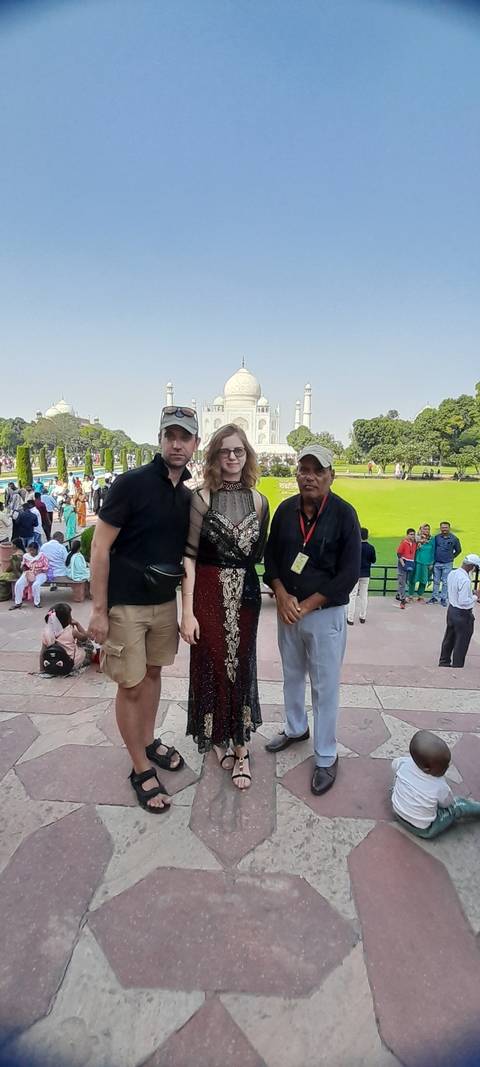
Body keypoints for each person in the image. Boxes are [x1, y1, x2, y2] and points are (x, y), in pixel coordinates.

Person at [88, 405, 199, 813]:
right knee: (130, 685)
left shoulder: (185, 496)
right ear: (160, 438)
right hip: (127, 604)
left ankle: (148, 740)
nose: (176, 443)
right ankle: (139, 766)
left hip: (162, 604)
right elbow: (100, 547)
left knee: (152, 674)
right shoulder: (131, 484)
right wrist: (99, 609)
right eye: (170, 435)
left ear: (194, 444)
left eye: (184, 437)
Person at [264, 444, 361, 796]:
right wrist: (281, 593)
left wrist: (305, 605)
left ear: (331, 476)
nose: (310, 477)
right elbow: (271, 558)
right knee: (291, 676)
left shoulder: (344, 514)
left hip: (323, 614)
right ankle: (295, 728)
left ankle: (325, 755)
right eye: (304, 470)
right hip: (288, 610)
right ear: (297, 474)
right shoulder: (286, 510)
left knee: (325, 686)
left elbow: (348, 574)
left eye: (318, 471)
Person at [181, 424, 269, 790]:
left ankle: (242, 747)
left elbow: (258, 555)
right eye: (225, 451)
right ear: (215, 455)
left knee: (241, 665)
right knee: (214, 663)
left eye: (239, 451)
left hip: (246, 595)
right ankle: (217, 736)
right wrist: (187, 611)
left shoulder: (260, 501)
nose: (232, 457)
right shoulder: (201, 498)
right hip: (206, 593)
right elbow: (187, 557)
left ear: (247, 455)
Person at [392, 730, 480, 839]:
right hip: (424, 829)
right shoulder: (439, 786)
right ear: (427, 768)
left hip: (397, 812)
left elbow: (394, 764)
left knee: (399, 777)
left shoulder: (404, 763)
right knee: (456, 806)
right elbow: (447, 803)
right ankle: (477, 808)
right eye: (443, 766)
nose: (447, 767)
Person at [438, 554, 480, 668]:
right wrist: (476, 597)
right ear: (472, 566)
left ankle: (444, 661)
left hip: (452, 610)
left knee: (449, 637)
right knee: (462, 641)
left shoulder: (453, 573)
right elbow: (464, 601)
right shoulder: (465, 580)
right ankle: (457, 665)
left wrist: (470, 595)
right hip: (463, 614)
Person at [41, 603, 92, 672]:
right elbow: (85, 638)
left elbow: (42, 652)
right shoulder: (71, 631)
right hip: (70, 665)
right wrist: (77, 624)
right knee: (87, 644)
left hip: (53, 664)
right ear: (68, 619)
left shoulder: (46, 633)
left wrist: (42, 669)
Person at [427, 522, 462, 606]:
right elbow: (433, 549)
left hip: (447, 563)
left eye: (446, 527)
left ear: (449, 528)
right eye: (442, 527)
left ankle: (443, 598)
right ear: (440, 528)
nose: (444, 529)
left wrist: (451, 557)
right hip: (437, 563)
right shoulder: (437, 538)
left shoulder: (454, 539)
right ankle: (434, 597)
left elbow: (458, 550)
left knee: (445, 582)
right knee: (436, 581)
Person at [347, 527, 376, 625]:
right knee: (364, 595)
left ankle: (350, 618)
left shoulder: (354, 546)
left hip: (355, 573)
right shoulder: (371, 548)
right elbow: (373, 560)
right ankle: (362, 616)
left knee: (352, 595)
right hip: (366, 573)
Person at [9, 541, 49, 609]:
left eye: (33, 550)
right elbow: (23, 566)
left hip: (40, 573)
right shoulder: (26, 556)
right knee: (19, 584)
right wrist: (24, 567)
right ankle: (18, 602)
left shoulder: (42, 556)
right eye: (30, 550)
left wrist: (39, 570)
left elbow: (47, 567)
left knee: (36, 585)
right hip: (28, 572)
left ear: (37, 550)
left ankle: (37, 603)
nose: (31, 552)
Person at [412, 523, 434, 601]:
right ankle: (410, 595)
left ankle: (420, 595)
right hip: (417, 561)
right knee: (413, 578)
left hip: (427, 563)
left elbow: (433, 551)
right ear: (420, 529)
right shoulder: (416, 538)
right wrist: (420, 542)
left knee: (424, 580)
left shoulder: (432, 539)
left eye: (428, 529)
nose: (426, 531)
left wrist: (432, 562)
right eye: (424, 529)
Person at [396, 528, 416, 609]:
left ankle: (399, 595)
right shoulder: (404, 543)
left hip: (410, 563)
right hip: (403, 563)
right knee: (402, 582)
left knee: (405, 581)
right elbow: (399, 553)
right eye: (411, 534)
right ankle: (402, 600)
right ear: (407, 535)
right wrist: (403, 563)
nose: (412, 536)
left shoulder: (414, 543)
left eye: (413, 534)